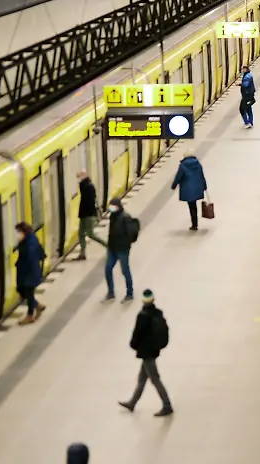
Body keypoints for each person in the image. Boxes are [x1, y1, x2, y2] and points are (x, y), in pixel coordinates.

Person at [119, 289, 174, 417]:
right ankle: (132, 402)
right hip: (153, 350)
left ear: (143, 300)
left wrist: (133, 345)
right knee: (142, 379)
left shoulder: (142, 316)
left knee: (155, 379)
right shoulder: (158, 313)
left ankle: (167, 405)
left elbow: (136, 334)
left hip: (146, 352)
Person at [104, 198, 136, 303]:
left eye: (113, 206)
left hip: (122, 249)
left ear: (118, 206)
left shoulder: (125, 217)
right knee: (108, 268)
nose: (111, 208)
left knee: (125, 270)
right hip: (112, 248)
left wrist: (125, 244)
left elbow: (131, 234)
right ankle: (111, 292)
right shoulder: (113, 216)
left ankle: (130, 293)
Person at [14, 222, 46, 325]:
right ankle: (37, 306)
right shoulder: (30, 238)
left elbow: (30, 256)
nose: (18, 234)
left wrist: (21, 244)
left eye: (18, 232)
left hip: (29, 273)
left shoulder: (29, 242)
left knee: (28, 293)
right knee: (24, 291)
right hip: (29, 272)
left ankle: (30, 315)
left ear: (23, 231)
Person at [171, 153, 208, 231]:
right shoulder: (198, 164)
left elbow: (178, 176)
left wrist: (174, 185)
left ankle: (194, 224)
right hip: (197, 187)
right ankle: (195, 223)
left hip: (187, 189)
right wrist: (204, 186)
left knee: (191, 206)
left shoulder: (183, 165)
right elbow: (201, 175)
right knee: (194, 206)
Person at [76, 170, 106, 261]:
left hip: (89, 215)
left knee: (91, 234)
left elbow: (91, 202)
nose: (78, 178)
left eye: (79, 176)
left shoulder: (89, 186)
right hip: (83, 214)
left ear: (84, 176)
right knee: (81, 233)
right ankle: (82, 253)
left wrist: (95, 214)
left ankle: (107, 245)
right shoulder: (84, 185)